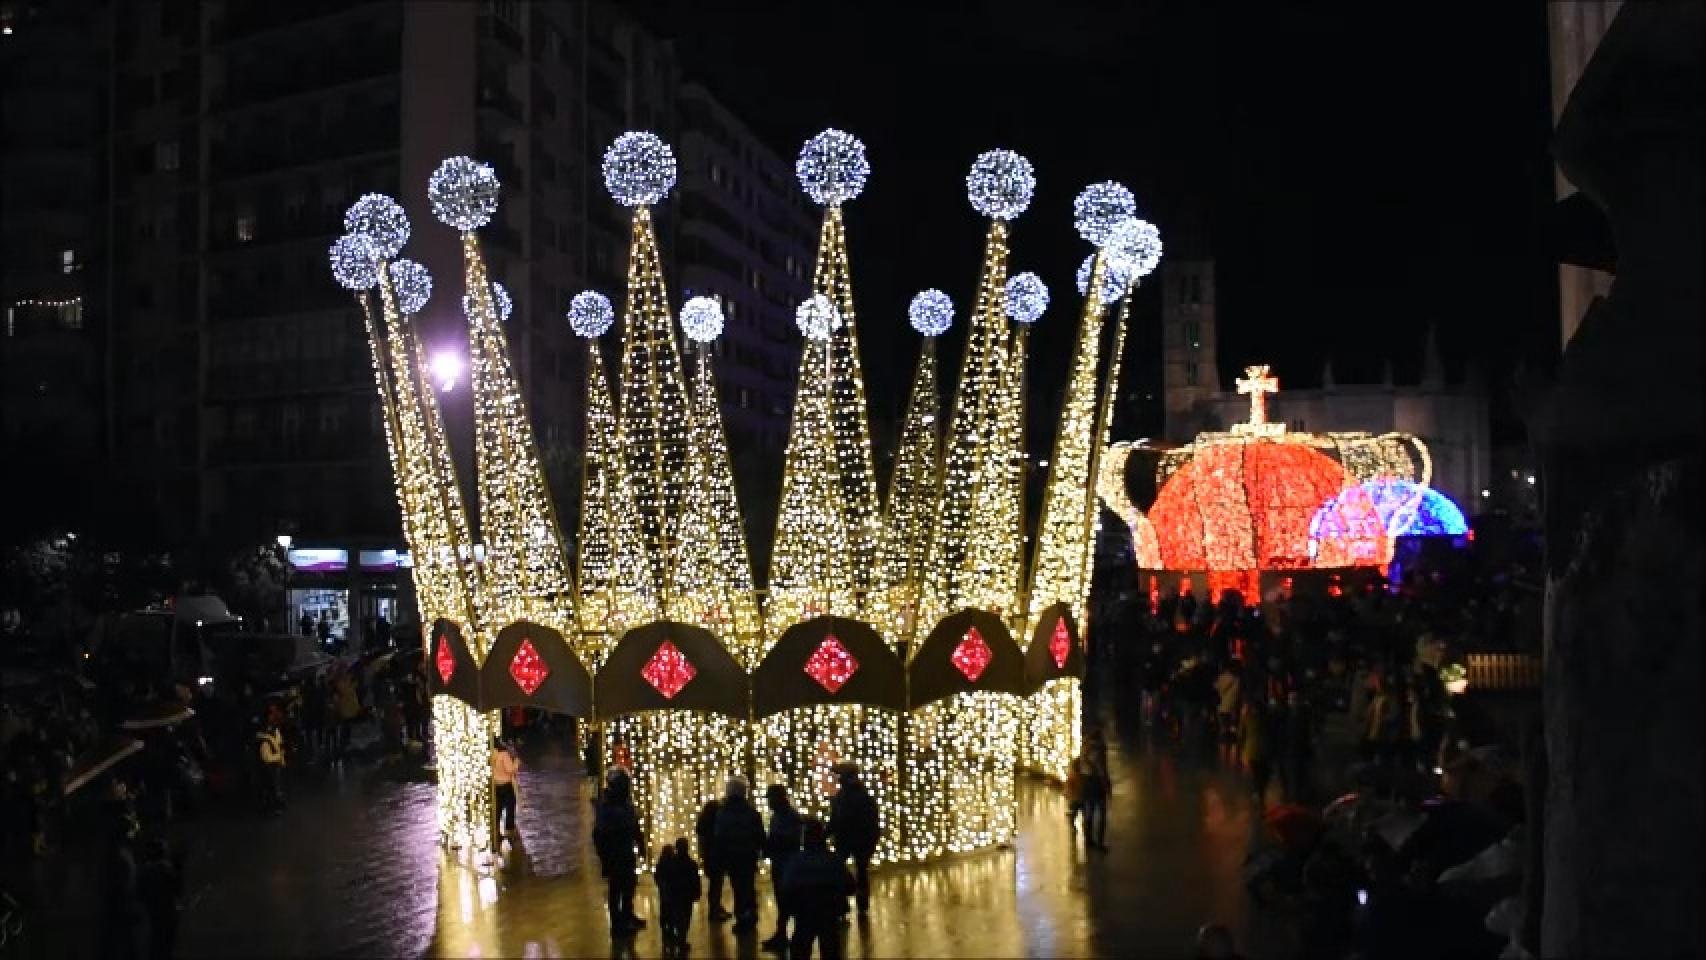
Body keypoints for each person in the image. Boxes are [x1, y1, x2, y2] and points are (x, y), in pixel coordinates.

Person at [782, 818, 854, 960]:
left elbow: (786, 887)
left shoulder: (796, 862)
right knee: (830, 948)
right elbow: (850, 886)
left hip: (804, 912)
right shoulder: (833, 860)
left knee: (801, 948)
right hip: (828, 911)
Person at [593, 769, 646, 935]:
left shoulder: (623, 803)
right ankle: (617, 924)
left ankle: (627, 916)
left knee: (629, 885)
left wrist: (640, 844)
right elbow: (600, 835)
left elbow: (633, 824)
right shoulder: (607, 808)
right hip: (616, 854)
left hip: (625, 851)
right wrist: (605, 858)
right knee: (617, 889)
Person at [713, 776, 765, 933]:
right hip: (747, 855)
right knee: (747, 886)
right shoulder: (750, 812)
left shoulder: (723, 813)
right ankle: (749, 915)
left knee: (738, 887)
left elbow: (719, 836)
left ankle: (743, 916)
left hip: (732, 856)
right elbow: (759, 835)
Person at [827, 765, 879, 916]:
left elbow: (836, 819)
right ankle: (860, 902)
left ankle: (845, 903)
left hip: (849, 839)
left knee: (841, 868)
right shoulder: (860, 796)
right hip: (858, 839)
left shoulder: (844, 798)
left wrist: (827, 833)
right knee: (860, 870)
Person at [762, 783, 803, 952]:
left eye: (770, 798)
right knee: (782, 900)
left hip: (787, 864)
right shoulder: (780, 815)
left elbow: (791, 840)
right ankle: (782, 934)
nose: (768, 802)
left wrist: (772, 843)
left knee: (788, 900)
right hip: (781, 863)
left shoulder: (789, 816)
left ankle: (792, 936)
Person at [136, 839, 182, 960]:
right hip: (164, 912)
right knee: (163, 945)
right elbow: (177, 888)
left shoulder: (147, 871)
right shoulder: (164, 869)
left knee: (157, 945)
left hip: (155, 912)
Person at [655, 838, 701, 956]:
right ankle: (681, 939)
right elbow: (695, 880)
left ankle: (676, 936)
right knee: (685, 919)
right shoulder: (691, 864)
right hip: (685, 896)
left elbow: (664, 878)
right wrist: (696, 892)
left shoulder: (671, 863)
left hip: (674, 895)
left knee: (678, 917)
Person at [695, 796, 729, 922]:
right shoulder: (715, 826)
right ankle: (714, 911)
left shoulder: (704, 825)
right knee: (716, 885)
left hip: (709, 858)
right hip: (715, 857)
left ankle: (716, 908)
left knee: (715, 885)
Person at [1075, 733, 1110, 850]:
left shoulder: (1084, 748)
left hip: (1086, 783)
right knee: (1101, 813)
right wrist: (1107, 785)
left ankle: (1088, 840)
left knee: (1088, 812)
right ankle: (1099, 842)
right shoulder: (1099, 749)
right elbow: (1101, 769)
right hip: (1097, 783)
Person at [490, 737, 519, 838]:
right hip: (506, 784)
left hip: (496, 785)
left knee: (498, 807)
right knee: (510, 805)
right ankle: (509, 827)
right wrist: (516, 763)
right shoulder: (504, 755)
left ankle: (496, 829)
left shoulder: (492, 754)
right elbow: (510, 770)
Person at [256, 719, 286, 814]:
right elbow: (267, 757)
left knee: (276, 785)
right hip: (270, 767)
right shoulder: (265, 741)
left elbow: (279, 743)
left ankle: (276, 804)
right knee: (271, 787)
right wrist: (279, 756)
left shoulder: (273, 735)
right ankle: (272, 807)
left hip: (275, 765)